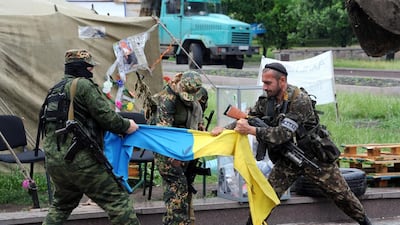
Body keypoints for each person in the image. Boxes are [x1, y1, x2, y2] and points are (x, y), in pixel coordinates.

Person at [211, 62, 372, 225]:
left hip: (313, 158)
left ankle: (365, 222)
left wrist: (251, 130)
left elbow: (282, 134)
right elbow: (248, 118)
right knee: (266, 198)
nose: (265, 87)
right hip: (288, 159)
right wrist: (224, 130)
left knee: (342, 195)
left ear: (282, 81)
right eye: (263, 83)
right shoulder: (267, 100)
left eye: (268, 83)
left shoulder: (299, 100)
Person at [40, 49, 141, 225]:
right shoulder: (83, 86)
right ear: (83, 68)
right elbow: (108, 118)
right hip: (81, 161)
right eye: (90, 68)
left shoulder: (55, 89)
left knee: (61, 206)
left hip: (55, 161)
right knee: (119, 203)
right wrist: (127, 126)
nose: (92, 71)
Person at [150, 70, 204, 225]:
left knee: (182, 186)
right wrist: (173, 157)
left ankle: (172, 220)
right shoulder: (168, 99)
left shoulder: (199, 96)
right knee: (178, 185)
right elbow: (164, 133)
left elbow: (198, 121)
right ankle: (178, 222)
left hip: (184, 147)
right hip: (165, 149)